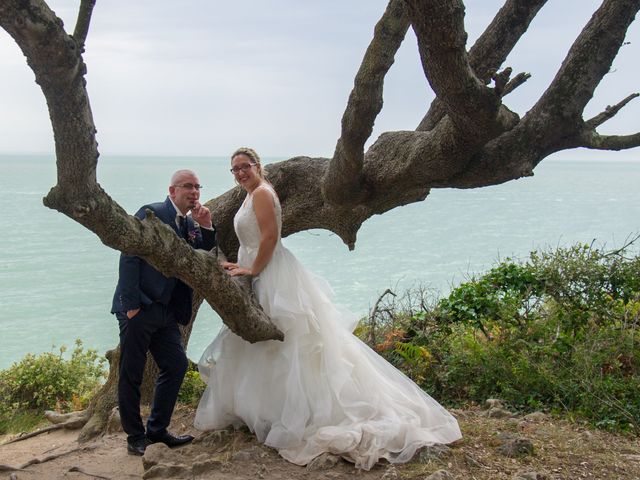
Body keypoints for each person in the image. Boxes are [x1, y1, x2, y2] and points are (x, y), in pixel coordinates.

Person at [194, 149, 462, 470]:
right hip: (258, 269)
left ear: (257, 166)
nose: (239, 172)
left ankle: (297, 412)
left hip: (272, 275)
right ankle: (269, 410)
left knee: (289, 342)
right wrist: (242, 264)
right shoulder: (251, 194)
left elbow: (269, 237)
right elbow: (255, 240)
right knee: (268, 343)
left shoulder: (263, 193)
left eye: (244, 167)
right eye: (234, 169)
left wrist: (252, 270)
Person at [112, 169, 216, 456]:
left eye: (197, 187)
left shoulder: (191, 223)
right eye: (187, 187)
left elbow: (202, 258)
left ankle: (157, 430)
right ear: (172, 191)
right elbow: (129, 252)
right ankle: (135, 437)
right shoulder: (151, 212)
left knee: (176, 364)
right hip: (139, 308)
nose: (194, 192)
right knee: (131, 373)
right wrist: (131, 304)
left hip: (167, 312)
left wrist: (206, 227)